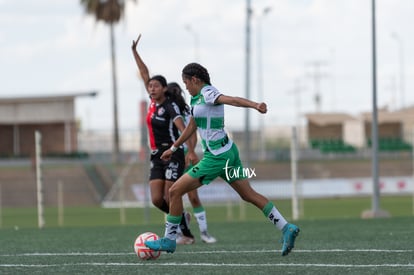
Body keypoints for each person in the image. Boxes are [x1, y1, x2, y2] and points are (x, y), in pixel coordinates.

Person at [145, 62, 300, 256]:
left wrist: (255, 105)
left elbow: (232, 100)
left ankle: (169, 240)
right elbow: (191, 126)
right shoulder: (196, 99)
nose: (185, 87)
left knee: (175, 191)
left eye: (187, 83)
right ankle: (287, 228)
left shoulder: (208, 93)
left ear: (195, 80)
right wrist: (174, 147)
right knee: (248, 195)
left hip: (217, 158)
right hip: (228, 152)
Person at [131, 35, 216, 244]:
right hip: (155, 156)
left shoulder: (170, 105)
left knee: (171, 195)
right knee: (156, 199)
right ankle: (182, 220)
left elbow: (184, 128)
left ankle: (186, 235)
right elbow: (144, 73)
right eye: (150, 86)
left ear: (164, 89)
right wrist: (134, 52)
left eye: (156, 86)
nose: (151, 88)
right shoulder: (152, 102)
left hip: (173, 154)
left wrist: (191, 150)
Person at [168, 82, 217, 244]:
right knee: (171, 195)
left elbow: (192, 132)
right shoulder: (167, 110)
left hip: (184, 156)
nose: (174, 93)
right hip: (172, 157)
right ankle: (179, 230)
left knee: (193, 197)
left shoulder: (187, 110)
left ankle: (204, 233)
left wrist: (190, 151)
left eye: (176, 90)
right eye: (171, 91)